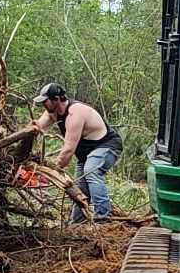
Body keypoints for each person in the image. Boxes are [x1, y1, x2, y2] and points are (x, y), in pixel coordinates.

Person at [34, 82, 123, 222]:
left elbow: (68, 151)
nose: (44, 105)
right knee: (80, 187)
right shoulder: (52, 112)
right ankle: (76, 224)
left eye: (46, 101)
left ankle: (103, 216)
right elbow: (36, 128)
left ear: (57, 99)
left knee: (91, 171)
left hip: (106, 146)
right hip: (86, 154)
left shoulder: (74, 114)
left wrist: (52, 171)